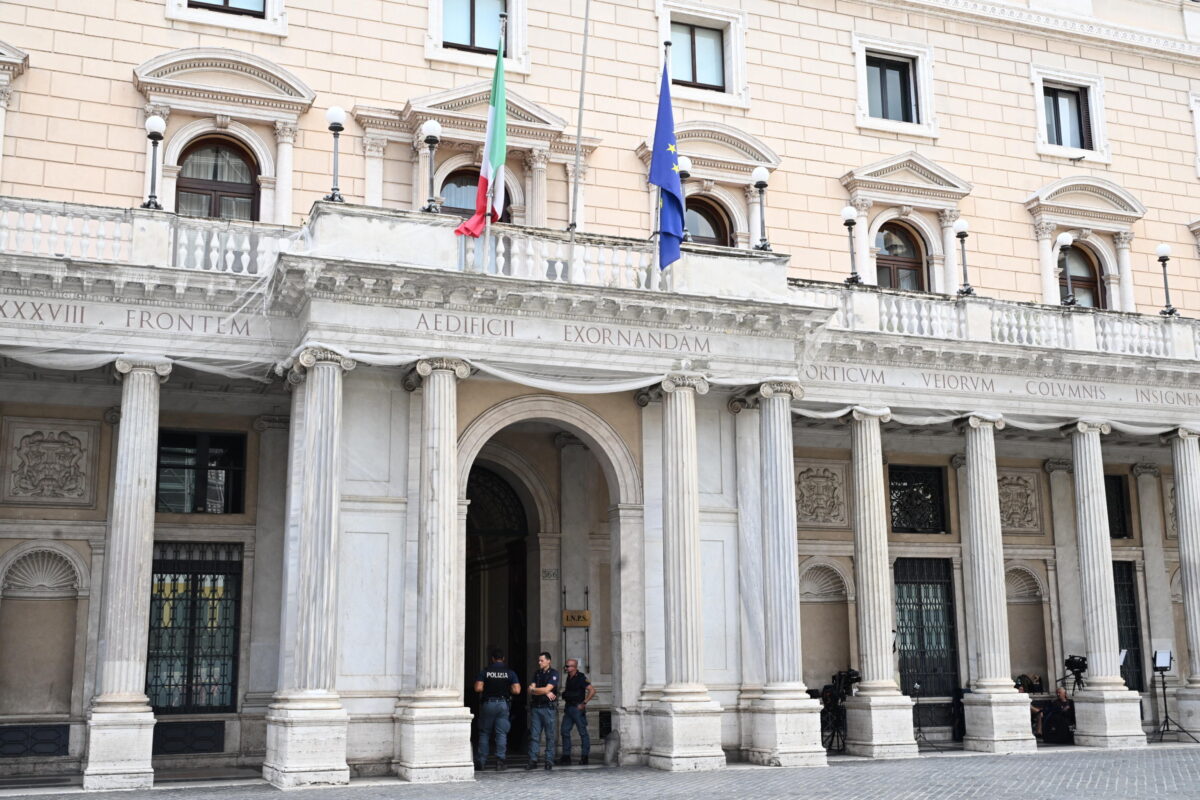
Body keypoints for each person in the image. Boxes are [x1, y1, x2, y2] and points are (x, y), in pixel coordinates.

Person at [473, 648, 521, 771]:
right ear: (503, 659)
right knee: (501, 733)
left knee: (484, 732)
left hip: (488, 704)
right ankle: (500, 761)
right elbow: (517, 690)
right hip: (503, 704)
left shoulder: (485, 671)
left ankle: (481, 761)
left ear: (493, 659)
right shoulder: (509, 672)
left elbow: (478, 688)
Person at [558, 658, 596, 766]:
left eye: (568, 666)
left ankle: (584, 757)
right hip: (569, 708)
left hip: (577, 709)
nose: (566, 668)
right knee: (564, 731)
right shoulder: (568, 677)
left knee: (583, 733)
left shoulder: (581, 677)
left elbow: (592, 690)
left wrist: (584, 703)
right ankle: (566, 757)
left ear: (574, 667)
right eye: (566, 666)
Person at [526, 651, 559, 771]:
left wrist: (537, 690)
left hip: (548, 708)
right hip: (536, 708)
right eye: (539, 660)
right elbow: (530, 689)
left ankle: (548, 761)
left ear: (548, 661)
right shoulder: (537, 673)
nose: (539, 662)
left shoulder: (554, 673)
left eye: (542, 660)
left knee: (550, 735)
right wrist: (542, 691)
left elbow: (546, 689)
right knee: (534, 736)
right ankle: (533, 760)